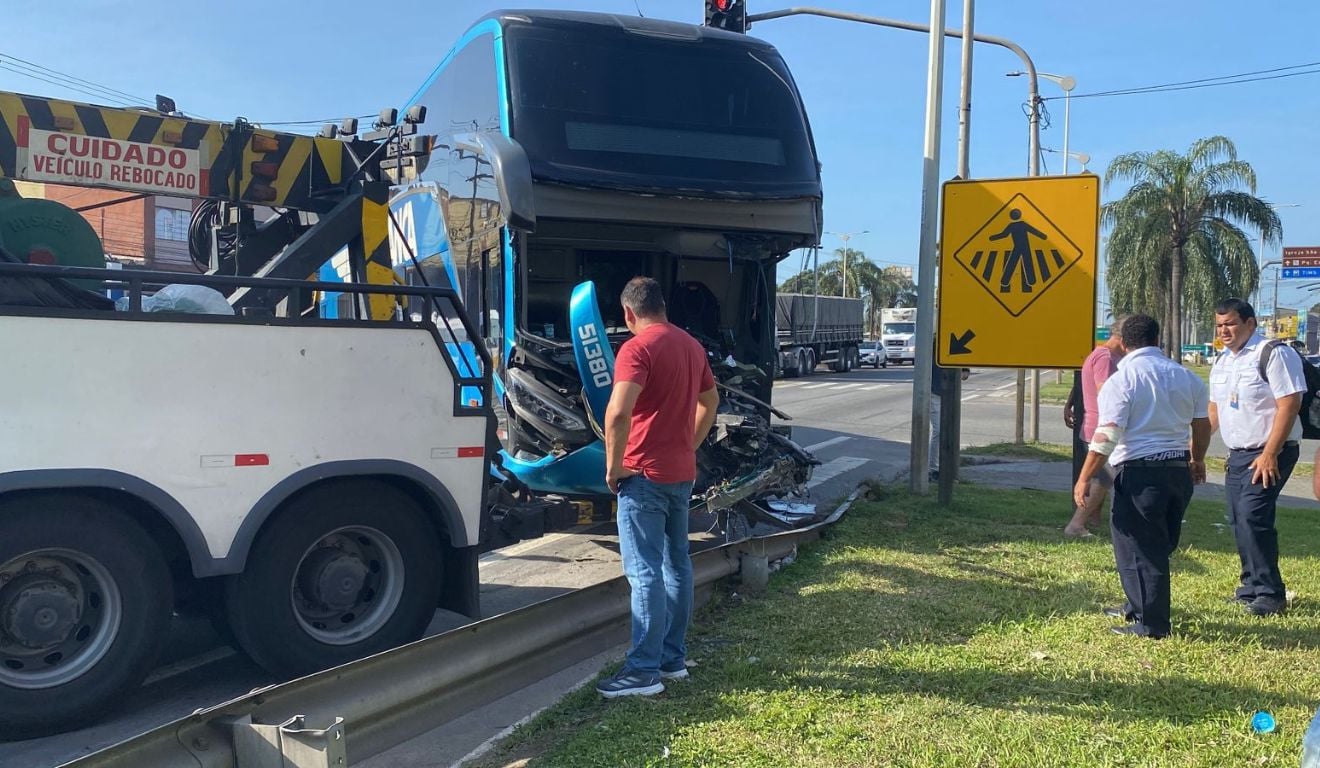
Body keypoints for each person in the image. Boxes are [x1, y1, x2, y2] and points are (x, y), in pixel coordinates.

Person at [597, 276, 720, 698]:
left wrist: (614, 467)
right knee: (677, 566)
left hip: (643, 476)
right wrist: (689, 443)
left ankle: (643, 671)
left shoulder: (636, 349)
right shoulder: (691, 346)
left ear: (629, 313)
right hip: (681, 473)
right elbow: (711, 403)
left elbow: (617, 414)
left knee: (644, 571)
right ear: (663, 306)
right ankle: (672, 659)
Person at [1074, 314, 1210, 639]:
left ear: (1122, 342)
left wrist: (1084, 477)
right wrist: (1198, 459)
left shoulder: (1122, 380)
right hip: (1177, 470)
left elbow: (1107, 435)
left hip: (1139, 473)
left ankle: (1151, 625)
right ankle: (1137, 605)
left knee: (1139, 548)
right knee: (1154, 545)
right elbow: (1202, 425)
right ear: (1156, 338)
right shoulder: (1186, 376)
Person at [1208, 298, 1303, 617]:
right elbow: (1215, 408)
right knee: (1238, 519)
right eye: (1220, 325)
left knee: (1253, 516)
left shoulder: (1273, 353)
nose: (1224, 330)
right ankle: (1249, 587)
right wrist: (1194, 447)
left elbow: (1290, 403)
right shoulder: (1223, 360)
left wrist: (1269, 454)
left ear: (1250, 324)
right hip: (1238, 455)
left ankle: (1270, 593)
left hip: (1270, 452)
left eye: (1231, 324)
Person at [1062, 318, 1125, 537]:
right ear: (1123, 337)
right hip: (1100, 428)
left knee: (1103, 478)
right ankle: (1077, 524)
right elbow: (1106, 392)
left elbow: (1081, 383)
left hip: (1095, 426)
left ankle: (1092, 520)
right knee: (1106, 477)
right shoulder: (1106, 358)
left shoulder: (1102, 354)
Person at [929, 351, 970, 481]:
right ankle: (933, 469)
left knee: (951, 431)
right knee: (939, 431)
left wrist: (962, 371)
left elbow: (965, 374)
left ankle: (949, 467)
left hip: (950, 394)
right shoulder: (931, 342)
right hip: (934, 393)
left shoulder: (955, 344)